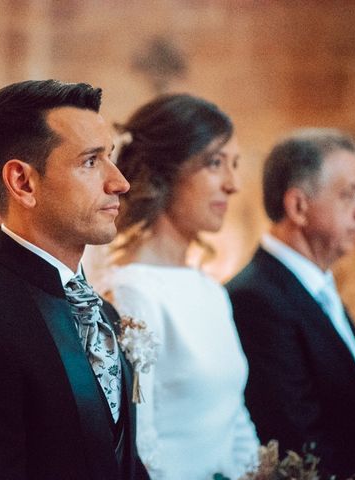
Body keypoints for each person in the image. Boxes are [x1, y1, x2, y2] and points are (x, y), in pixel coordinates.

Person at [0, 79, 149, 480]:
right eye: (91, 162)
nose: (119, 183)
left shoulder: (104, 312)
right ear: (23, 183)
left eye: (109, 157)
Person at [100, 94, 259, 479]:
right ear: (164, 172)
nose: (233, 185)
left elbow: (235, 416)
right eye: (215, 163)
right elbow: (140, 441)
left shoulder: (211, 291)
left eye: (234, 165)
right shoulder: (132, 292)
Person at [226, 128, 355, 479]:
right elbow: (296, 443)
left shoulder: (316, 285)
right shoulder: (255, 299)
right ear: (298, 206)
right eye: (349, 194)